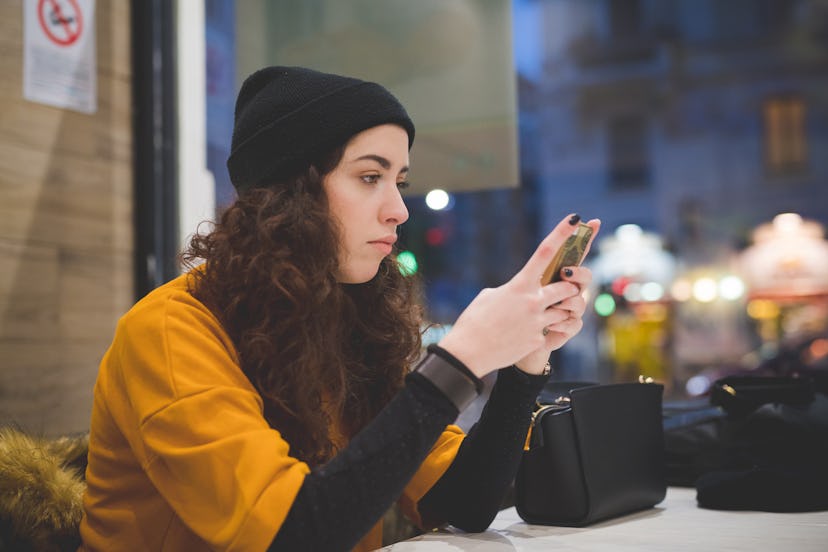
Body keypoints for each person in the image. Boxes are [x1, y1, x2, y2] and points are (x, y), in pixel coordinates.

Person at [79, 66, 600, 551]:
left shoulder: (345, 320)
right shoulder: (172, 329)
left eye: (400, 183)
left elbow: (463, 502)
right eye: (370, 177)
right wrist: (458, 363)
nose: (398, 210)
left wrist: (525, 361)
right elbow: (292, 534)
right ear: (290, 194)